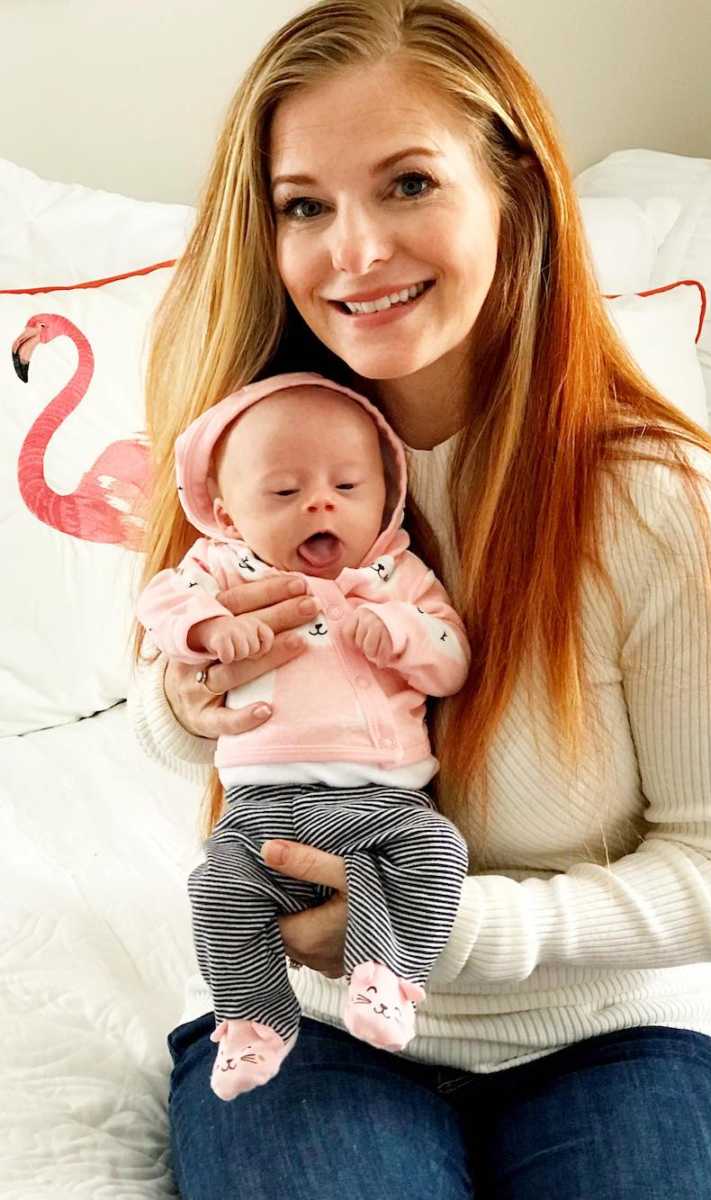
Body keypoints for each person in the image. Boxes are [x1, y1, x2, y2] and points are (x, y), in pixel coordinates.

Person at [129, 0, 711, 1194]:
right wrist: (191, 702)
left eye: (406, 185)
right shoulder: (259, 462)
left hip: (615, 1035)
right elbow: (162, 717)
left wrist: (430, 935)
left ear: (516, 193)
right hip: (310, 1024)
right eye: (304, 205)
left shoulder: (663, 506)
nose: (353, 252)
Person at [135, 374, 470, 1099]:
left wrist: (401, 632)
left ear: (387, 494)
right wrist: (210, 627)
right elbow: (160, 601)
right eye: (284, 493)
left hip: (385, 803)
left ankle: (387, 976)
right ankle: (255, 1022)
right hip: (260, 806)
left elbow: (452, 657)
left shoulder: (397, 574)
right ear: (227, 513)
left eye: (349, 485)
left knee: (440, 853)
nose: (321, 503)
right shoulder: (225, 565)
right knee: (219, 888)